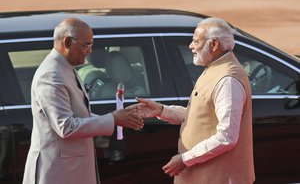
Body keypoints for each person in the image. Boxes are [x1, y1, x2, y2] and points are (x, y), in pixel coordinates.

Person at [22, 18, 144, 184]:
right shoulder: (50, 75)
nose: (90, 51)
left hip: (71, 170)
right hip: (58, 173)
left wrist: (114, 118)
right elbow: (66, 127)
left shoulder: (65, 68)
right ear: (67, 42)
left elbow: (79, 114)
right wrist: (113, 118)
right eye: (86, 45)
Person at [135, 17, 255, 183]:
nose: (191, 46)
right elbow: (202, 117)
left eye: (196, 42)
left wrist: (185, 159)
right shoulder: (215, 68)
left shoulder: (228, 80)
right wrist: (163, 111)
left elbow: (226, 136)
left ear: (213, 44)